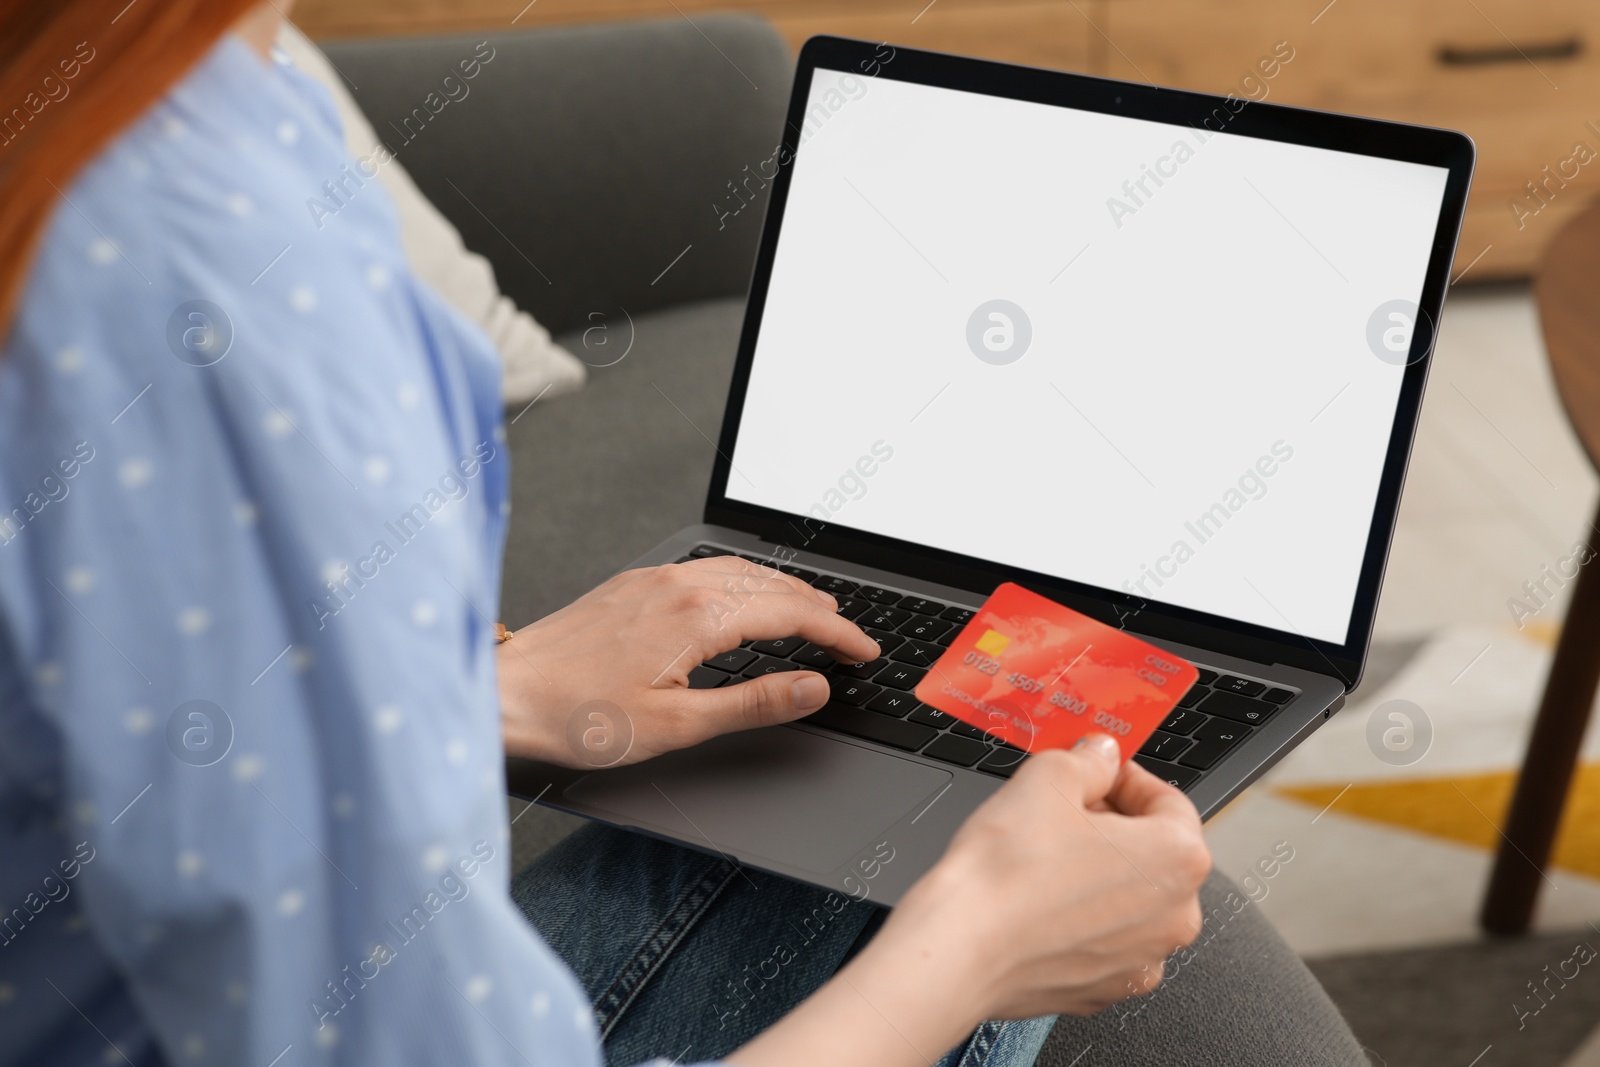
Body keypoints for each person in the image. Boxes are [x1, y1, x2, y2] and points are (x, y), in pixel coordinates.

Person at [0, 2, 1369, 1064]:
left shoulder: (164, 121)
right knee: (980, 836)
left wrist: (483, 692)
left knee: (884, 754)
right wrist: (973, 952)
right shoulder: (203, 275)